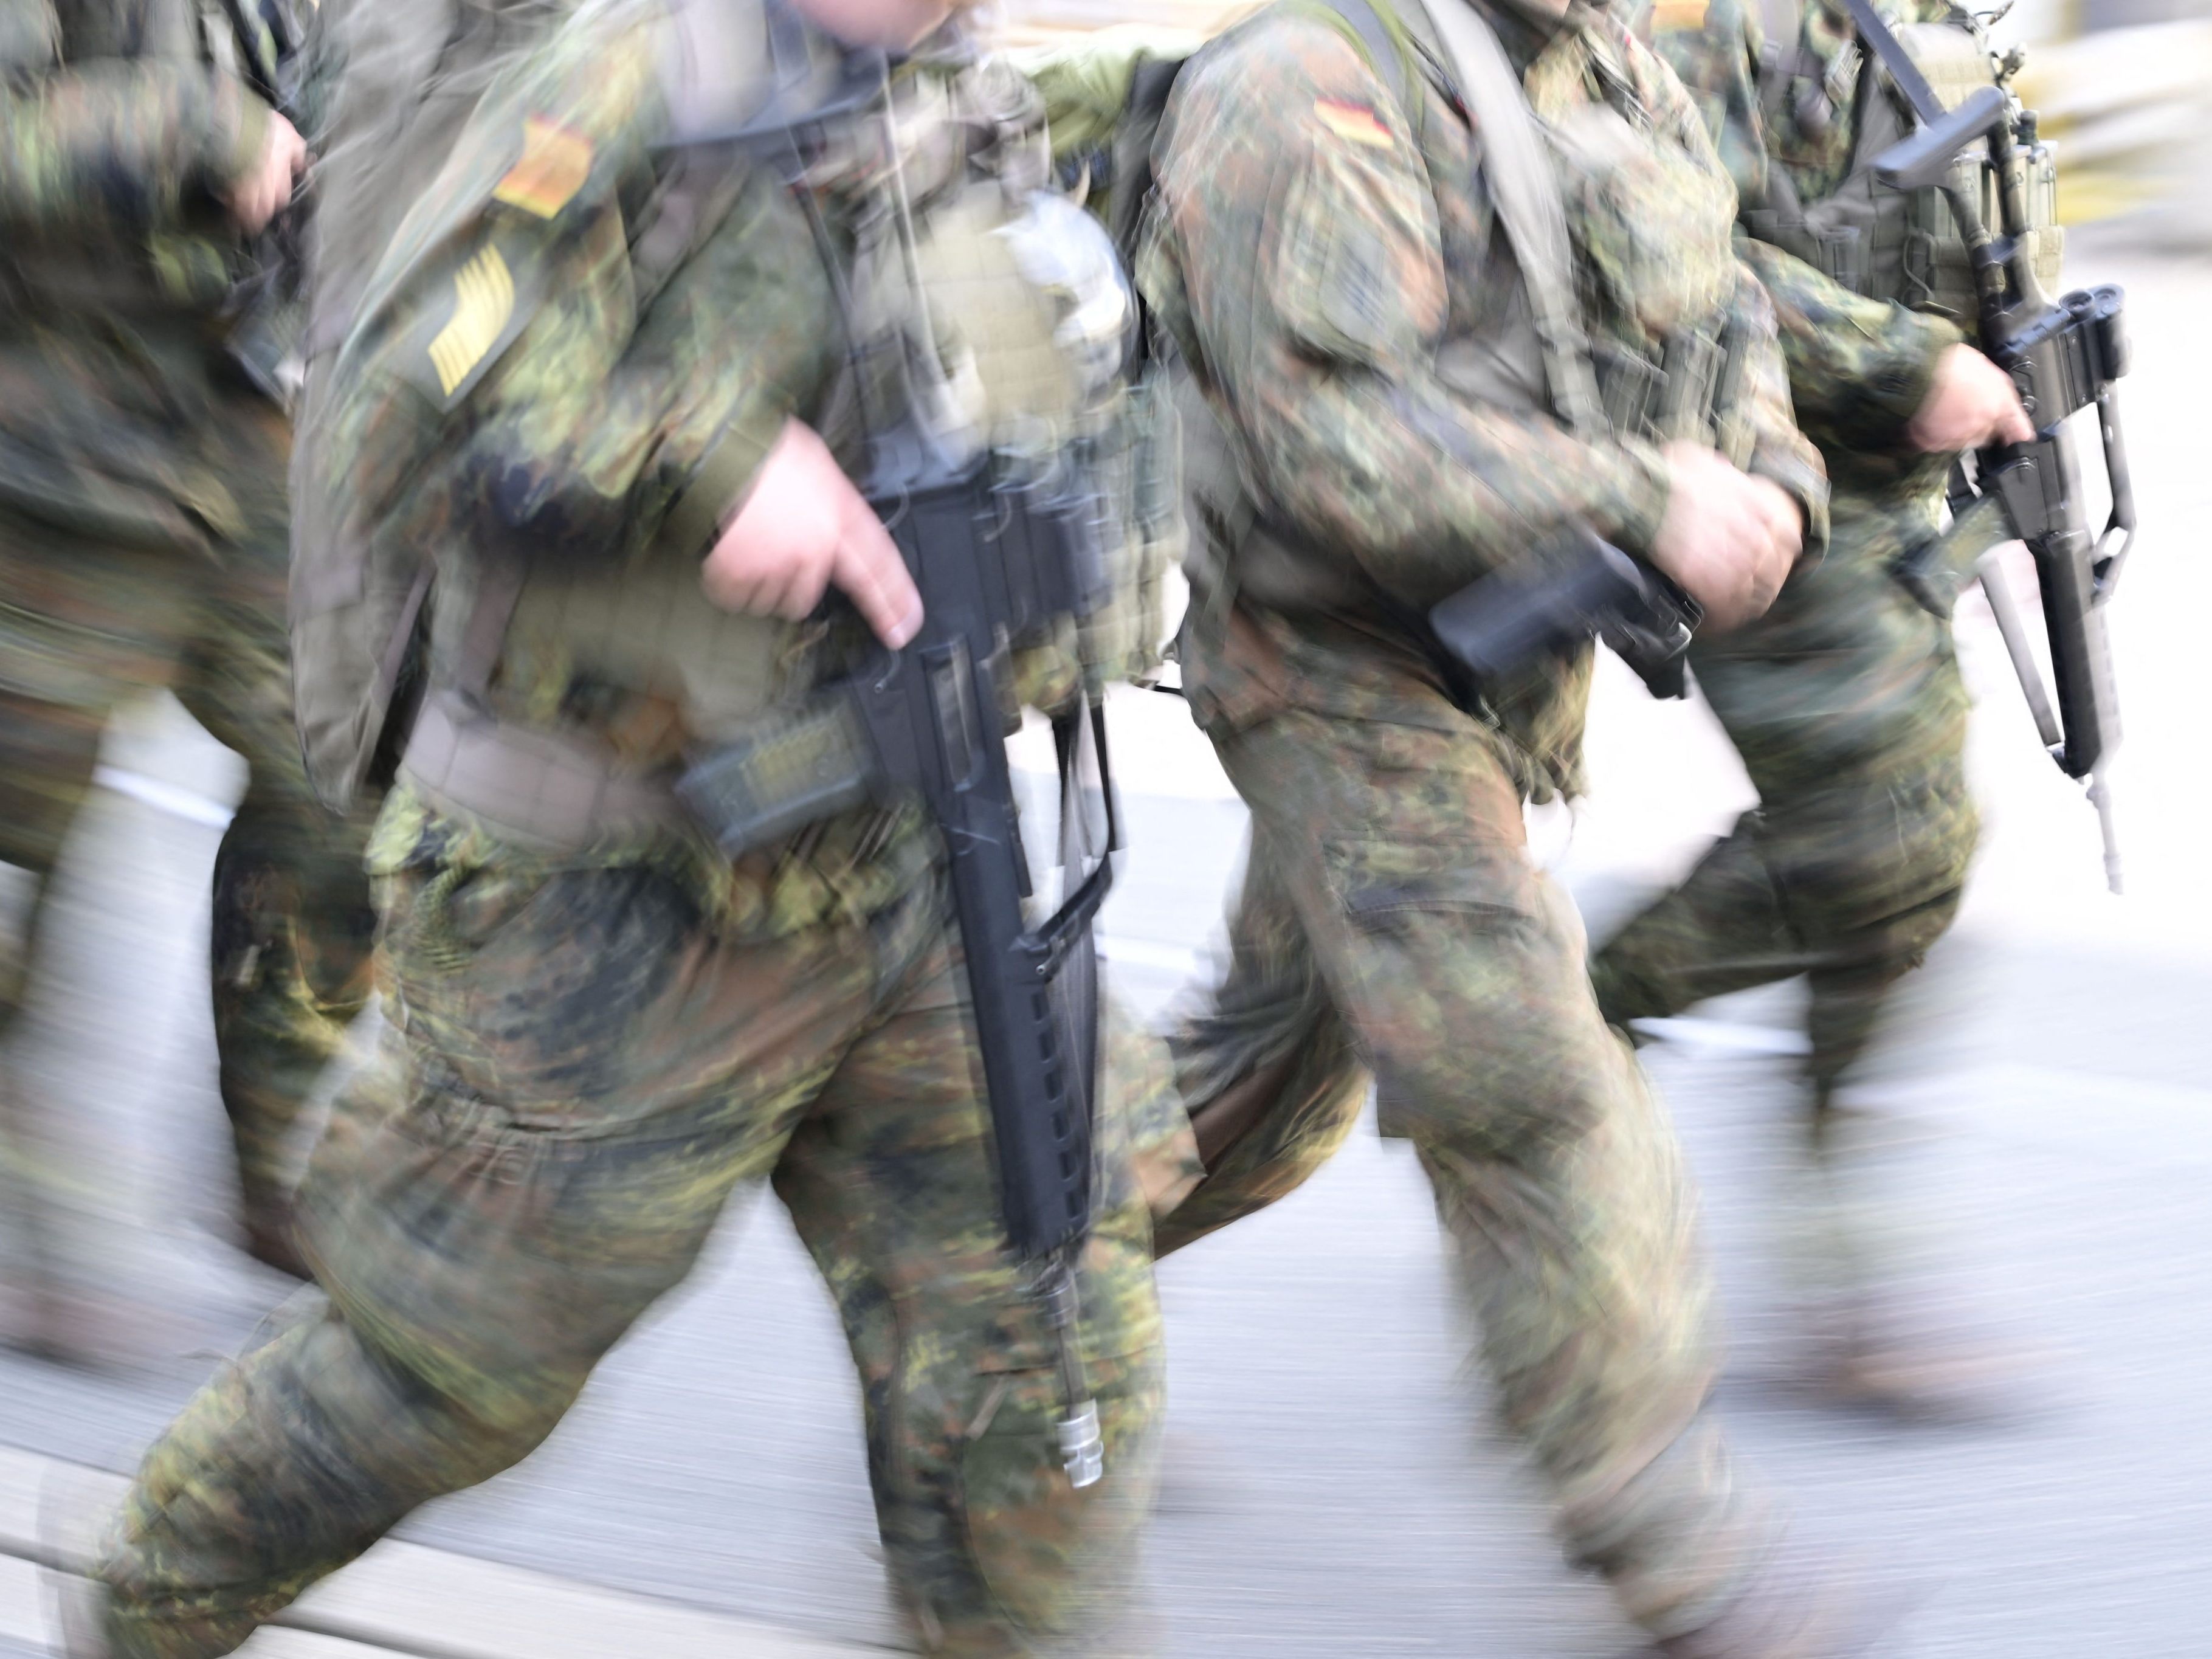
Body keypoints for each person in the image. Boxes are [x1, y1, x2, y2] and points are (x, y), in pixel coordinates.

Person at [53, 0, 1188, 1652]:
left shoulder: (948, 85)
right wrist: (711, 461)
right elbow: (409, 399)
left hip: (909, 856)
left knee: (1041, 1339)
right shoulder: (635, 70)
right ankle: (140, 1609)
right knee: (442, 1375)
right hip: (606, 888)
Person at [1136, 0, 1911, 1646]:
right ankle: (1665, 1537)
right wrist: (1641, 499)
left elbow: (1723, 309)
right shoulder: (1303, 85)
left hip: (1494, 662)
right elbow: (1327, 442)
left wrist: (1769, 479)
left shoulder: (1610, 65)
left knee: (1272, 1083)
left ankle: (996, 1296)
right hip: (1326, 668)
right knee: (1536, 1085)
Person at [1588, 0, 2039, 1413]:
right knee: (1879, 847)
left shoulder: (1937, 20)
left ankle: (1845, 1286)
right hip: (1760, 479)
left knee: (1905, 874)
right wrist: (1904, 364)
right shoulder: (1725, 28)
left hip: (1894, 499)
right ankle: (1553, 1031)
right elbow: (1672, 256)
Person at [0, 0, 377, 1360]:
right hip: (54, 453)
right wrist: (202, 126)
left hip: (244, 433)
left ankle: (280, 1156)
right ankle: (50, 1233)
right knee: (28, 847)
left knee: (339, 775)